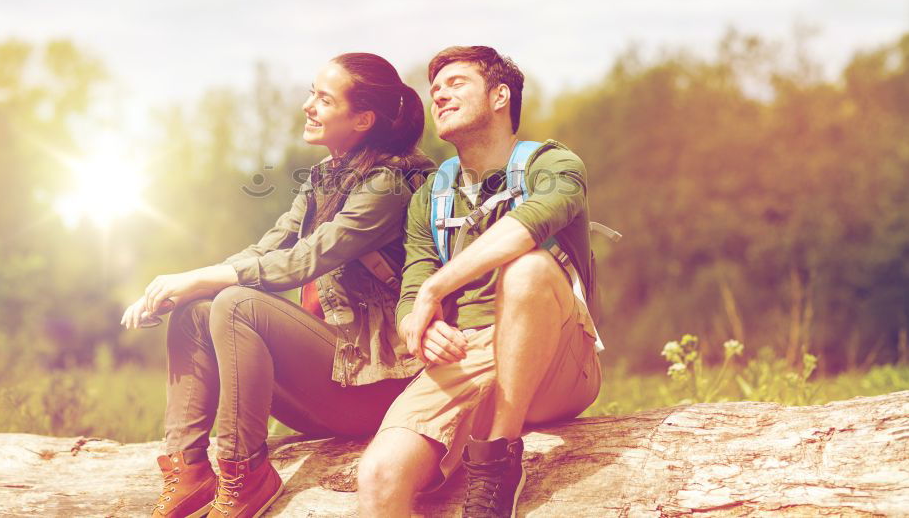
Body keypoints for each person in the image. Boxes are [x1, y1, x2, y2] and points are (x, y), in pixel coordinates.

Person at [121, 53, 431, 518]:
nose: (308, 105)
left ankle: (246, 473)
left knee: (236, 304)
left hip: (377, 387)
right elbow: (266, 249)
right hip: (333, 381)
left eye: (324, 99)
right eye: (312, 93)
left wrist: (202, 279)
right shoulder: (327, 178)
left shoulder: (390, 185)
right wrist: (181, 287)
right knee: (198, 310)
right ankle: (189, 471)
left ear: (363, 118)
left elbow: (307, 259)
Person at [357, 46, 604, 518]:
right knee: (379, 476)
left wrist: (435, 291)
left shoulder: (552, 165)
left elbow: (529, 224)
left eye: (456, 84)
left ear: (499, 96)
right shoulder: (430, 195)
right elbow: (414, 286)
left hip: (557, 358)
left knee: (527, 268)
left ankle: (498, 461)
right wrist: (420, 325)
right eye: (435, 91)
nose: (440, 96)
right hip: (465, 357)